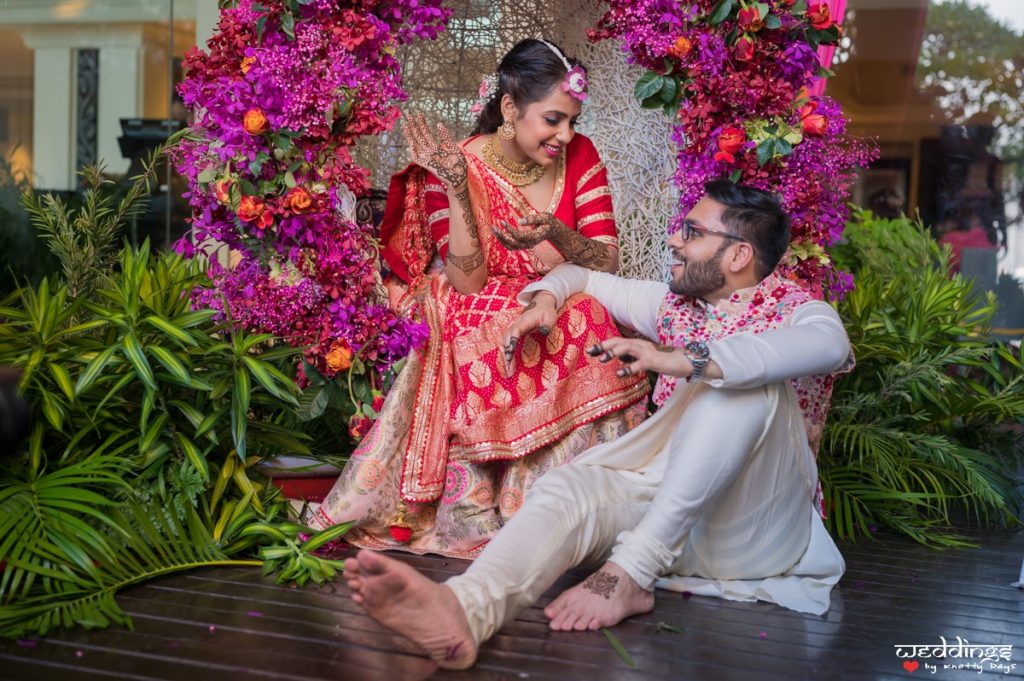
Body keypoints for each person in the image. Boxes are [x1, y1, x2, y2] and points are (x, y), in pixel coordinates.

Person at [341, 181, 854, 669]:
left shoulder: (799, 312)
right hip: (675, 525)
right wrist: (545, 300)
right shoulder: (676, 311)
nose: (674, 239)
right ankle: (464, 610)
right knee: (570, 486)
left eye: (693, 232)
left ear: (739, 255)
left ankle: (630, 574)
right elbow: (583, 277)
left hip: (756, 527)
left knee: (741, 385)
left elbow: (829, 348)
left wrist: (687, 361)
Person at [304, 39, 649, 557]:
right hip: (476, 293)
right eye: (553, 119)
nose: (566, 134)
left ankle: (571, 507)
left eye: (573, 120)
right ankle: (491, 505)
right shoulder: (462, 160)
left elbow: (605, 259)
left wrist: (555, 232)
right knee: (505, 322)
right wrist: (459, 189)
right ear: (510, 109)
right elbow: (467, 281)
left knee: (590, 316)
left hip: (562, 287)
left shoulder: (582, 155)